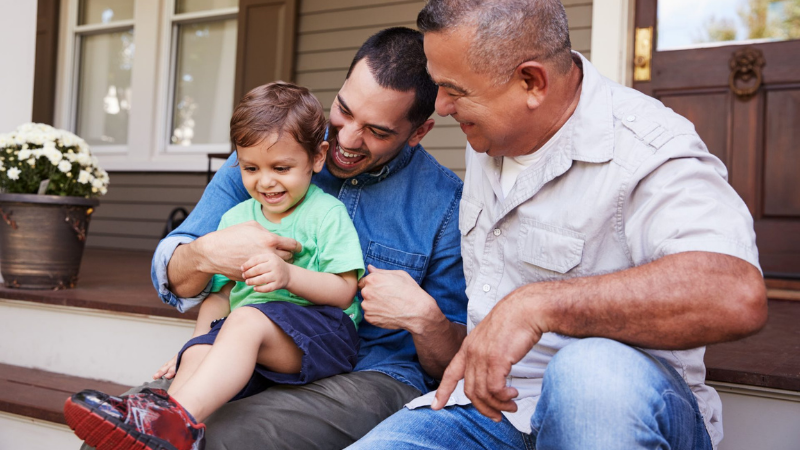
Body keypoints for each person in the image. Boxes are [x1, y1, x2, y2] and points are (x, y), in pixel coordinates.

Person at [347, 1, 768, 450]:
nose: (443, 107)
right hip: (490, 409)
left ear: (532, 82)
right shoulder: (493, 130)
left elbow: (735, 293)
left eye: (455, 90)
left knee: (588, 370)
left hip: (615, 408)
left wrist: (537, 305)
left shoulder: (646, 145)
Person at [79, 27, 468, 450]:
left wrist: (425, 319)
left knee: (225, 437)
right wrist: (205, 257)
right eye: (343, 110)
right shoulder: (267, 154)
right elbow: (183, 275)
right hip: (255, 350)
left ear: (418, 131)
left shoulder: (445, 203)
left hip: (373, 371)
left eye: (377, 131)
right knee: (112, 439)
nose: (346, 140)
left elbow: (451, 360)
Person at [65, 82, 367, 450]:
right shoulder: (237, 219)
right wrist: (196, 343)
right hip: (257, 337)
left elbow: (344, 289)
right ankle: (160, 430)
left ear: (317, 158)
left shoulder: (326, 214)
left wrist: (289, 275)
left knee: (245, 320)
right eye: (251, 167)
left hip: (325, 334)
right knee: (202, 345)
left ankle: (170, 422)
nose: (265, 181)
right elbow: (222, 296)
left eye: (282, 167)